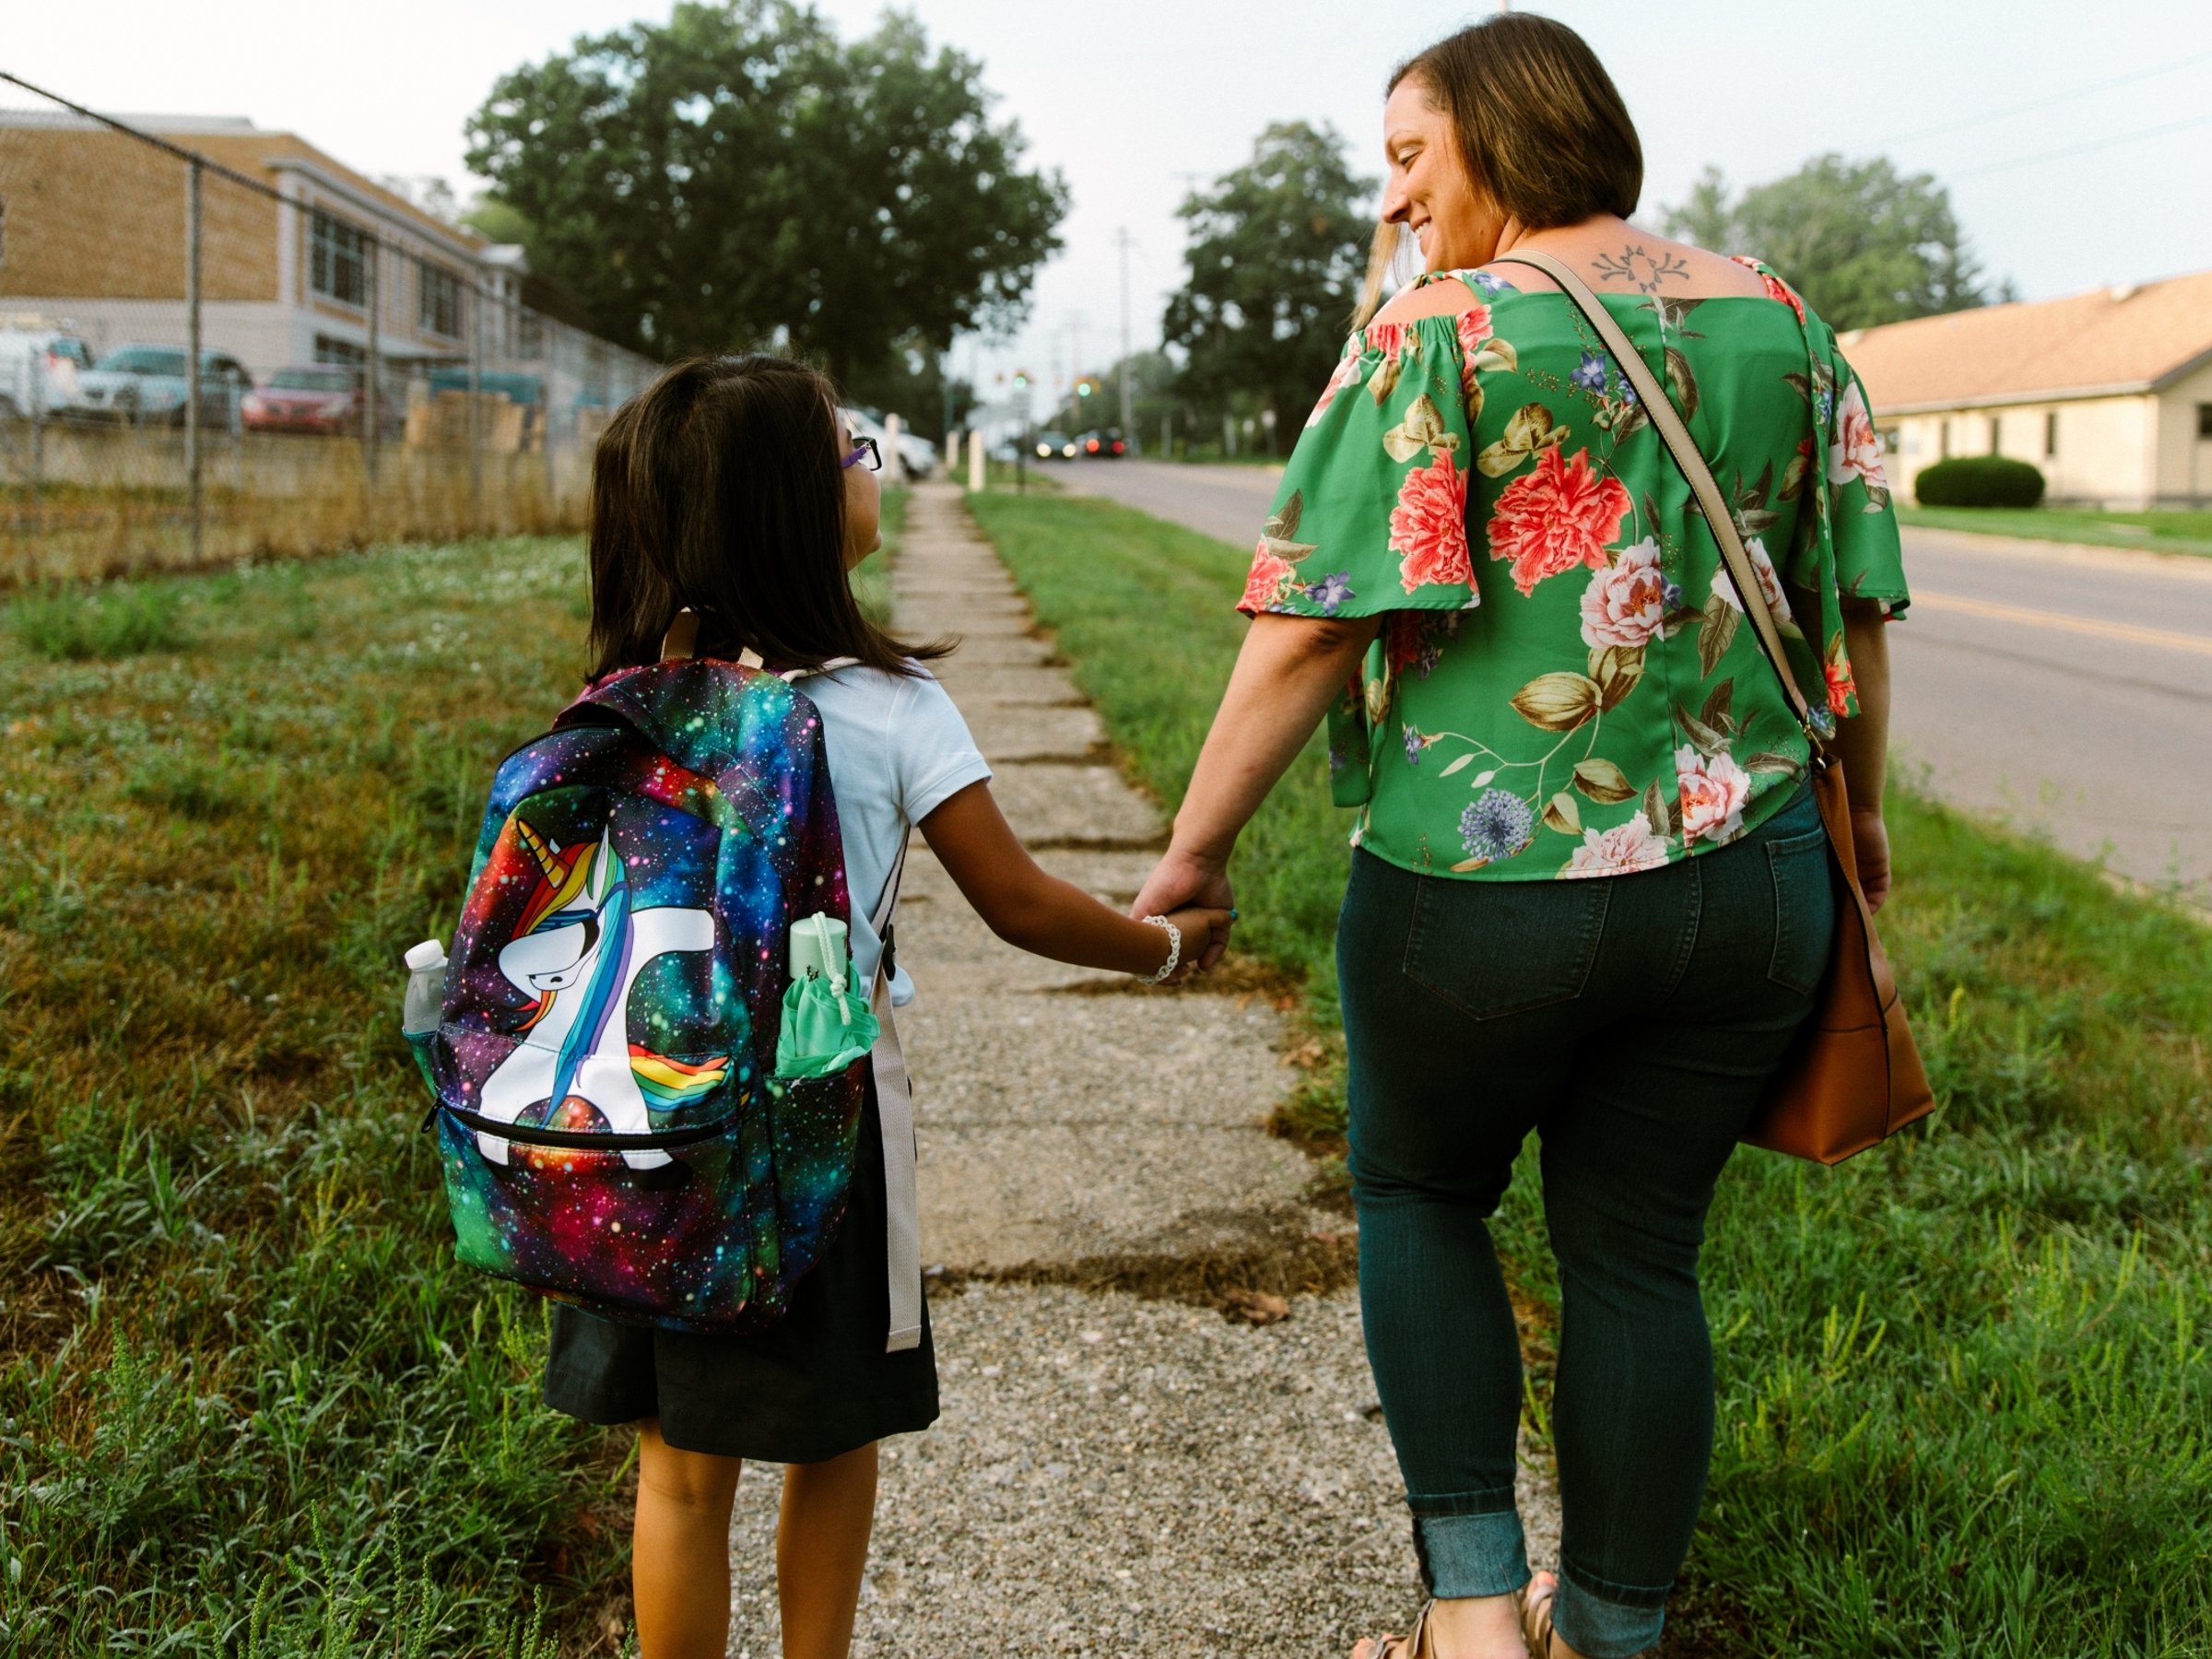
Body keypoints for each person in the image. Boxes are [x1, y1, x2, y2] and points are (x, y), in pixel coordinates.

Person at [1131, 16, 1908, 1658]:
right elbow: (1858, 615)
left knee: (1421, 1194)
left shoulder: (1439, 334)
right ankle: (1609, 1634)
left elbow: (1307, 632)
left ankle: (1475, 1621)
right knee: (1638, 1254)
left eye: (1412, 158)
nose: (1399, 203)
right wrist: (1870, 825)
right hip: (1754, 884)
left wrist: (1195, 851)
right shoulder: (1785, 321)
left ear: (1500, 132)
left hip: (1483, 891)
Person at [543, 353, 1229, 1659]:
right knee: (833, 1437)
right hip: (817, 1133)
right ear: (799, 519)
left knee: (679, 1470)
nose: (873, 467)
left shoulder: (624, 706)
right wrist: (1162, 950)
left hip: (644, 1120)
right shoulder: (892, 706)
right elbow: (1017, 901)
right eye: (852, 452)